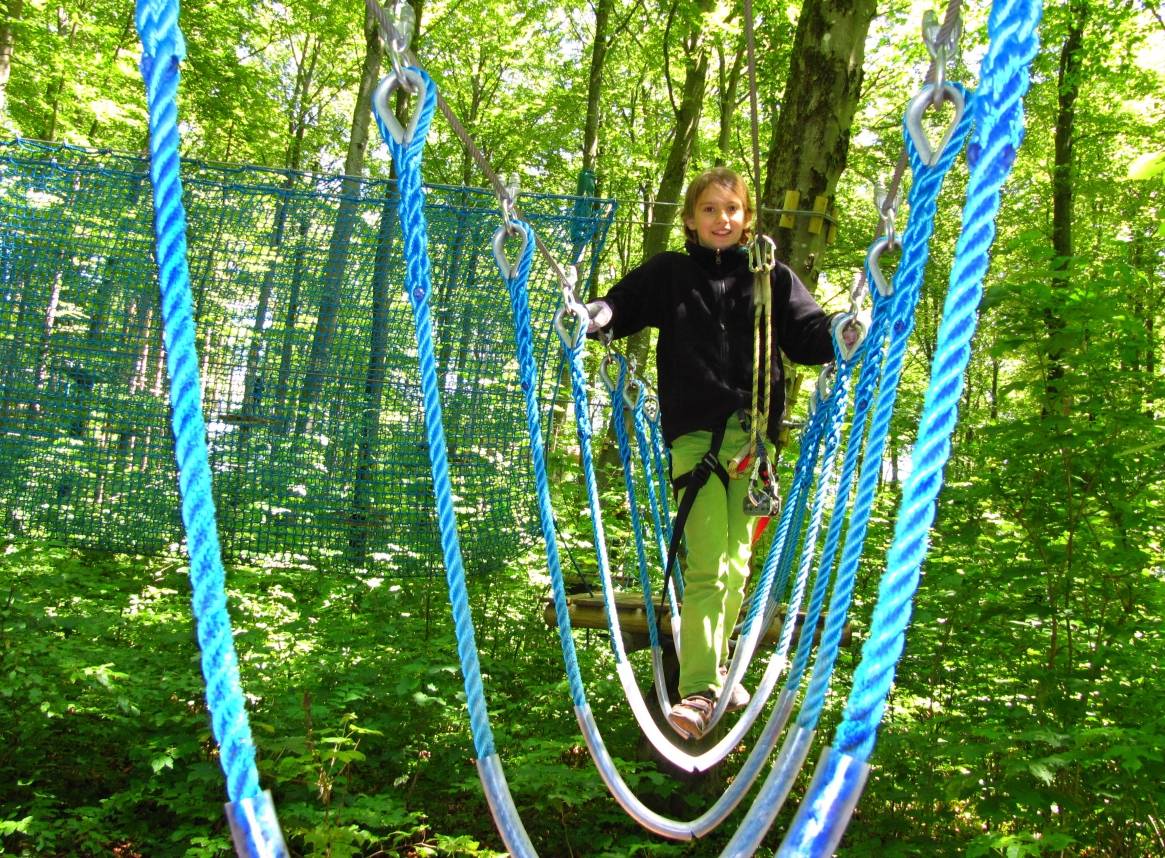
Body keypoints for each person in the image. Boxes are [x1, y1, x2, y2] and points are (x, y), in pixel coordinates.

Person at [586, 167, 851, 740]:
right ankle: (701, 689)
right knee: (708, 564)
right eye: (709, 209)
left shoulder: (770, 278)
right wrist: (600, 313)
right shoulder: (671, 274)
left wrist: (843, 331)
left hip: (754, 443)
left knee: (736, 568)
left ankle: (719, 665)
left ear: (747, 217)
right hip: (696, 439)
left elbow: (807, 333)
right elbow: (624, 304)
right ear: (690, 219)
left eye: (731, 209)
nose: (722, 219)